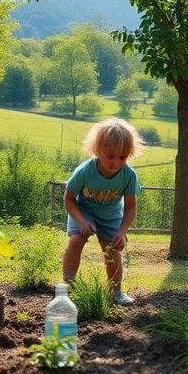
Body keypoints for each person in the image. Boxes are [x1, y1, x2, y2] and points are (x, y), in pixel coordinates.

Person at [62, 118, 143, 306]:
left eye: (122, 157)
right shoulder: (85, 171)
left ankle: (116, 292)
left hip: (111, 216)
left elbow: (130, 208)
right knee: (76, 241)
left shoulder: (129, 175)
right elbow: (69, 199)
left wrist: (122, 232)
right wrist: (82, 222)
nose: (116, 163)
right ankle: (68, 288)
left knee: (113, 250)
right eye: (110, 156)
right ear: (97, 150)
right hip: (83, 212)